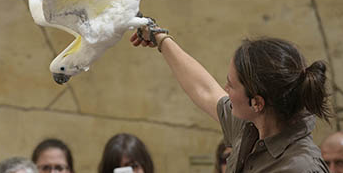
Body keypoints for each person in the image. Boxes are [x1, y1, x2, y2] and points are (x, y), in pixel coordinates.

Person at [131, 27, 332, 172]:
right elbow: (204, 90)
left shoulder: (301, 167)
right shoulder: (252, 125)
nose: (225, 89)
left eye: (231, 85)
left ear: (257, 103)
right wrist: (158, 36)